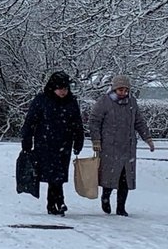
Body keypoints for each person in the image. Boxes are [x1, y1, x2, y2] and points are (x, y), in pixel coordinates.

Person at [88, 75, 155, 217]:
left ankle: (121, 207)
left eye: (126, 90)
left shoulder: (132, 102)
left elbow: (139, 121)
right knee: (110, 176)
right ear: (114, 89)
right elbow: (94, 121)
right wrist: (96, 140)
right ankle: (105, 198)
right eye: (120, 90)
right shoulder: (104, 102)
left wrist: (147, 138)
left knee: (125, 179)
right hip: (109, 147)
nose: (123, 93)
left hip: (128, 147)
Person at [20, 70, 85, 216]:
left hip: (64, 143)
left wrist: (78, 141)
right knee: (54, 174)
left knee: (58, 174)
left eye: (65, 88)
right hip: (45, 143)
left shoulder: (71, 101)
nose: (63, 91)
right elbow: (30, 122)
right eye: (60, 88)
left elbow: (77, 123)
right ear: (53, 87)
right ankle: (59, 201)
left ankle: (52, 204)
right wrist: (27, 142)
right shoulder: (42, 100)